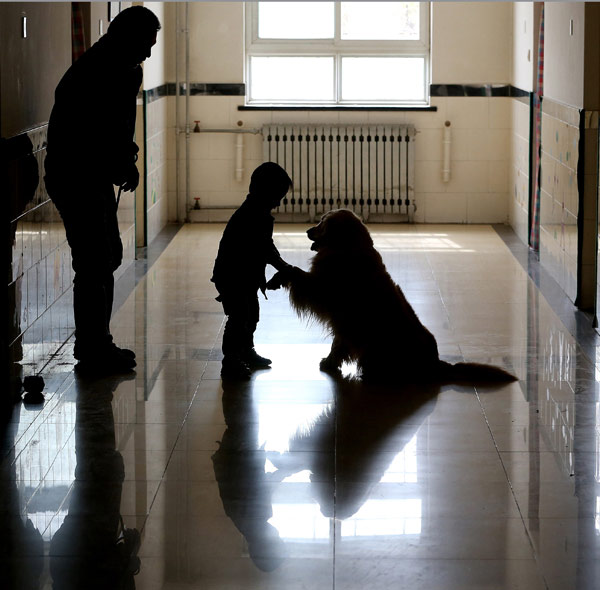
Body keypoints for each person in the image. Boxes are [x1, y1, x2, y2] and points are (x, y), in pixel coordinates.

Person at [44, 6, 160, 374]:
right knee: (96, 261)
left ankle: (97, 343)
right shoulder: (94, 71)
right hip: (75, 176)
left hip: (91, 175)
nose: (148, 53)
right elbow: (88, 134)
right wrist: (120, 163)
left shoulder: (127, 70)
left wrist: (128, 160)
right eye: (146, 43)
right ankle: (93, 349)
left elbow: (120, 128)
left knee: (106, 257)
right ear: (126, 36)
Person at [211, 162, 293, 380]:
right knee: (239, 317)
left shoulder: (260, 211)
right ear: (264, 192)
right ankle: (231, 361)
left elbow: (267, 245)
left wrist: (280, 267)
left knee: (251, 315)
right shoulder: (251, 215)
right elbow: (265, 248)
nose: (278, 202)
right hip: (232, 276)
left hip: (246, 274)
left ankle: (246, 351)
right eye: (277, 196)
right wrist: (283, 267)